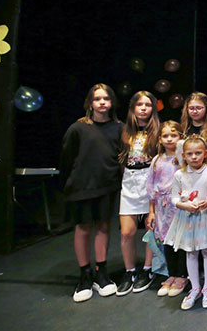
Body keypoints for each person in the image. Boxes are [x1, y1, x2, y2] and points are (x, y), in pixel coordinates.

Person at [61, 84, 123, 302]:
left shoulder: (119, 127)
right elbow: (67, 158)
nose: (102, 102)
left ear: (112, 102)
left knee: (104, 227)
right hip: (82, 187)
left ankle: (101, 273)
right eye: (97, 99)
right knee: (83, 229)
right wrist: (72, 182)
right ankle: (84, 275)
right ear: (90, 103)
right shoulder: (78, 128)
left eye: (106, 98)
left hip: (108, 186)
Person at [164, 136, 207, 310]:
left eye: (198, 153)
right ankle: (195, 287)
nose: (194, 157)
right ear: (184, 155)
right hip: (187, 218)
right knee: (190, 252)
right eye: (190, 154)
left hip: (206, 217)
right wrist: (185, 205)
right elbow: (174, 197)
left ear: (205, 153)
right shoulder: (179, 174)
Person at [118, 91, 160, 295]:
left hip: (150, 181)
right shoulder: (123, 130)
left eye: (148, 104)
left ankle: (147, 269)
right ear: (133, 108)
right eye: (139, 104)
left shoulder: (159, 131)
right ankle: (129, 271)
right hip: (129, 182)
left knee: (151, 228)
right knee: (127, 231)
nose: (144, 108)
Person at [144, 121, 188, 297]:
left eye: (174, 135)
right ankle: (171, 274)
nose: (169, 139)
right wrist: (151, 211)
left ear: (180, 137)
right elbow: (151, 188)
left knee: (181, 241)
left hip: (179, 207)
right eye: (165, 136)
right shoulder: (156, 161)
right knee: (167, 241)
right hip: (162, 209)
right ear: (160, 139)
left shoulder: (183, 160)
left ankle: (183, 275)